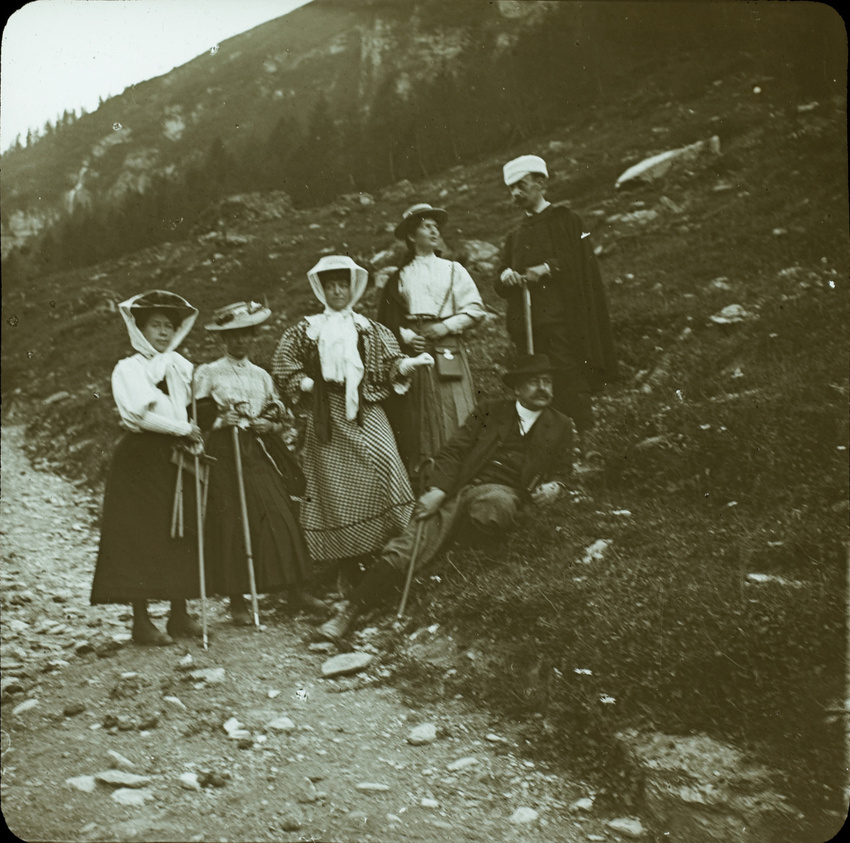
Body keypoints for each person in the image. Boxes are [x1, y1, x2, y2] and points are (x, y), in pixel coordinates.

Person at [317, 353, 573, 642]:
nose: (543, 388)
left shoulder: (561, 424)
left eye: (547, 382)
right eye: (534, 382)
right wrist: (438, 491)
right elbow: (454, 451)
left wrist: (556, 487)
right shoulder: (490, 411)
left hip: (506, 492)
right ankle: (349, 611)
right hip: (460, 488)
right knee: (409, 544)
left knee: (494, 506)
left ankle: (448, 555)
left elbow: (563, 470)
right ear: (516, 389)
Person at [272, 255, 434, 584]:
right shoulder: (306, 329)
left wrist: (409, 365)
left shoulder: (368, 328)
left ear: (352, 288)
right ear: (321, 290)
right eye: (330, 286)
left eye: (342, 285)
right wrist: (307, 383)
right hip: (325, 411)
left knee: (386, 461)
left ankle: (402, 544)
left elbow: (391, 362)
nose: (337, 292)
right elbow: (283, 362)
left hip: (364, 405)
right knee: (334, 484)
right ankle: (347, 559)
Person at [193, 301, 320, 625]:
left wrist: (270, 425)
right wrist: (222, 418)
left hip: (258, 448)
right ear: (223, 339)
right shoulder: (208, 372)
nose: (240, 342)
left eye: (246, 335)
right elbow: (195, 416)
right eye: (233, 336)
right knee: (233, 519)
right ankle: (237, 599)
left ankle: (295, 590)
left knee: (278, 511)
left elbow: (283, 415)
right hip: (224, 450)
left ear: (253, 337)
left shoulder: (261, 375)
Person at [91, 290, 205, 645]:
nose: (163, 333)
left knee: (179, 530)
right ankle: (141, 621)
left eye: (169, 326)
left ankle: (178, 614)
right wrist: (183, 428)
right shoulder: (128, 368)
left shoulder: (177, 366)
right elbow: (140, 416)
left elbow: (192, 408)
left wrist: (193, 431)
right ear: (139, 329)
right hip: (140, 458)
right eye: (155, 325)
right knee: (140, 534)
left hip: (175, 455)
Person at [495, 154, 617, 461]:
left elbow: (581, 263)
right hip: (526, 323)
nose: (515, 194)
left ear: (541, 183)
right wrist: (506, 276)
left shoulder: (567, 220)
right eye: (511, 189)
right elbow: (498, 280)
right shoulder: (515, 234)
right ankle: (548, 451)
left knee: (566, 376)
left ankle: (588, 445)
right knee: (531, 384)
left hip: (560, 320)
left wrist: (548, 268)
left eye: (521, 186)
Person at [378, 203, 487, 483]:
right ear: (412, 237)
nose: (435, 231)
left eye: (436, 227)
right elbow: (388, 321)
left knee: (455, 405)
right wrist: (407, 336)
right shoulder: (400, 277)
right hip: (415, 350)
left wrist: (446, 326)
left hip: (448, 348)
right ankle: (425, 477)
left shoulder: (454, 270)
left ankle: (461, 472)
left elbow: (475, 309)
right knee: (419, 413)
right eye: (427, 226)